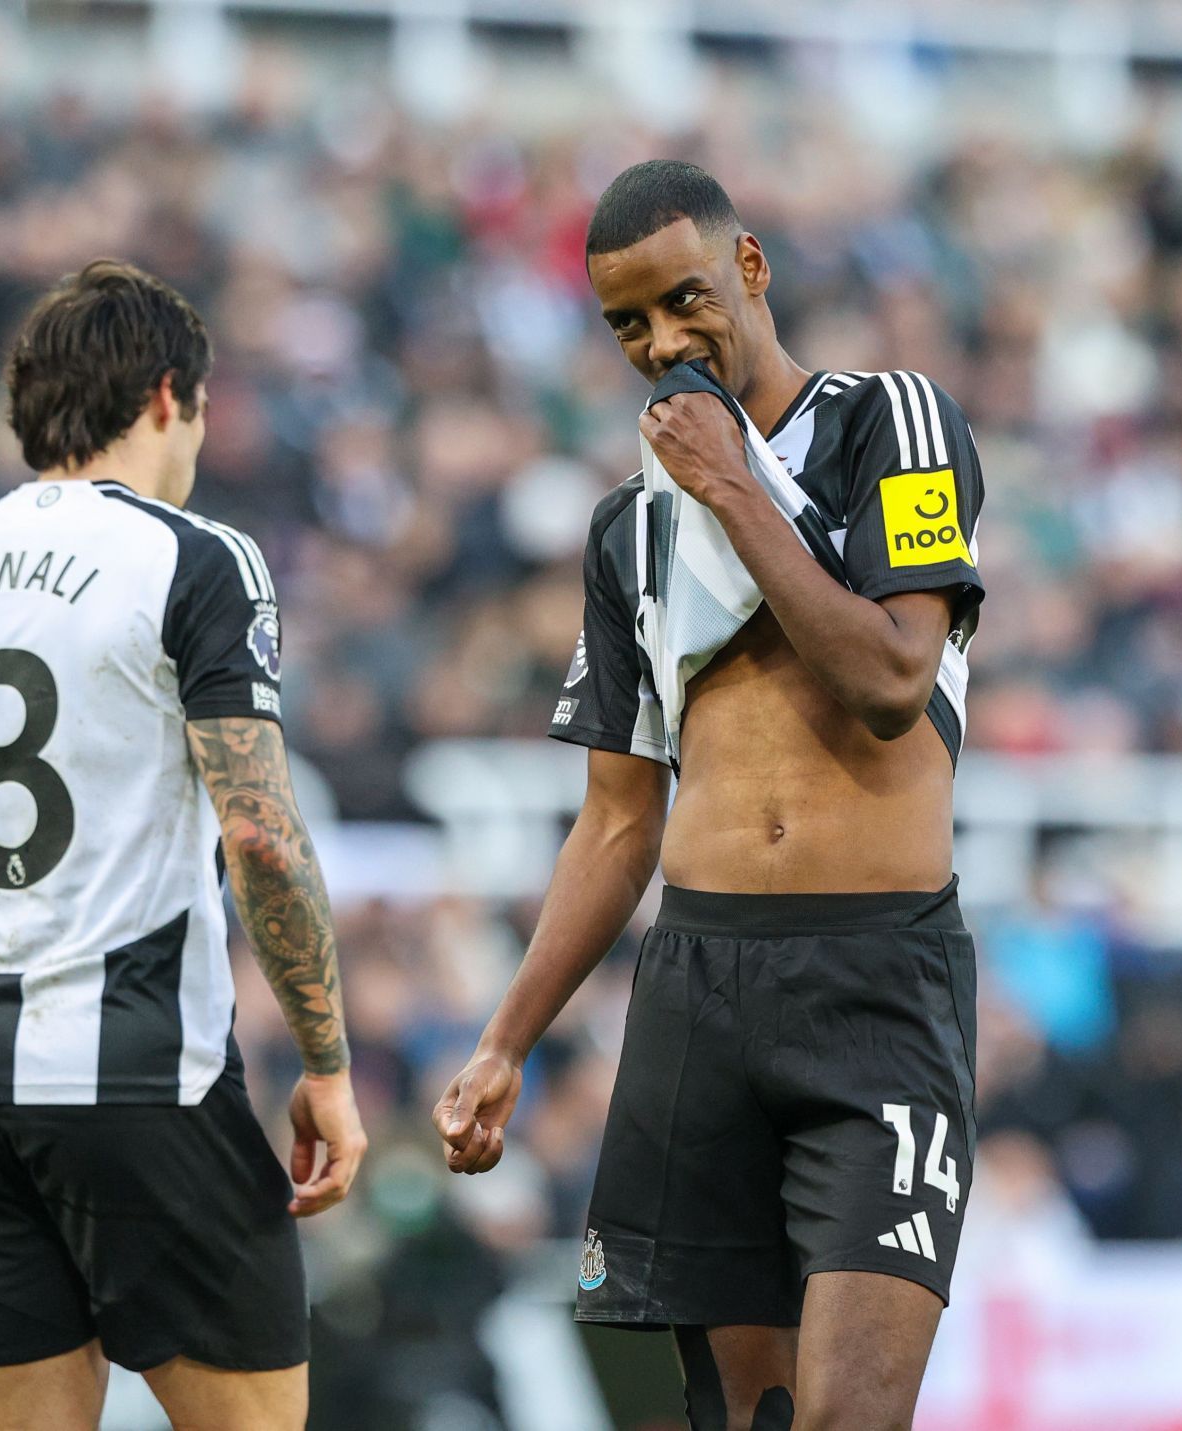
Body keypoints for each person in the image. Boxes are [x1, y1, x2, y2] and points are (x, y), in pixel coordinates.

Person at [434, 160, 985, 1430]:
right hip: (699, 989)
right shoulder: (628, 528)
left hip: (874, 984)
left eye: (684, 301)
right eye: (628, 323)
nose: (662, 342)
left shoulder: (889, 423)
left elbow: (895, 678)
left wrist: (733, 484)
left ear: (750, 269)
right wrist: (506, 1040)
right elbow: (618, 821)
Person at [0, 259, 366, 1431]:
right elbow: (262, 835)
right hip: (138, 1074)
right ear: (169, 396)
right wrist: (327, 1067)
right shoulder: (194, 556)